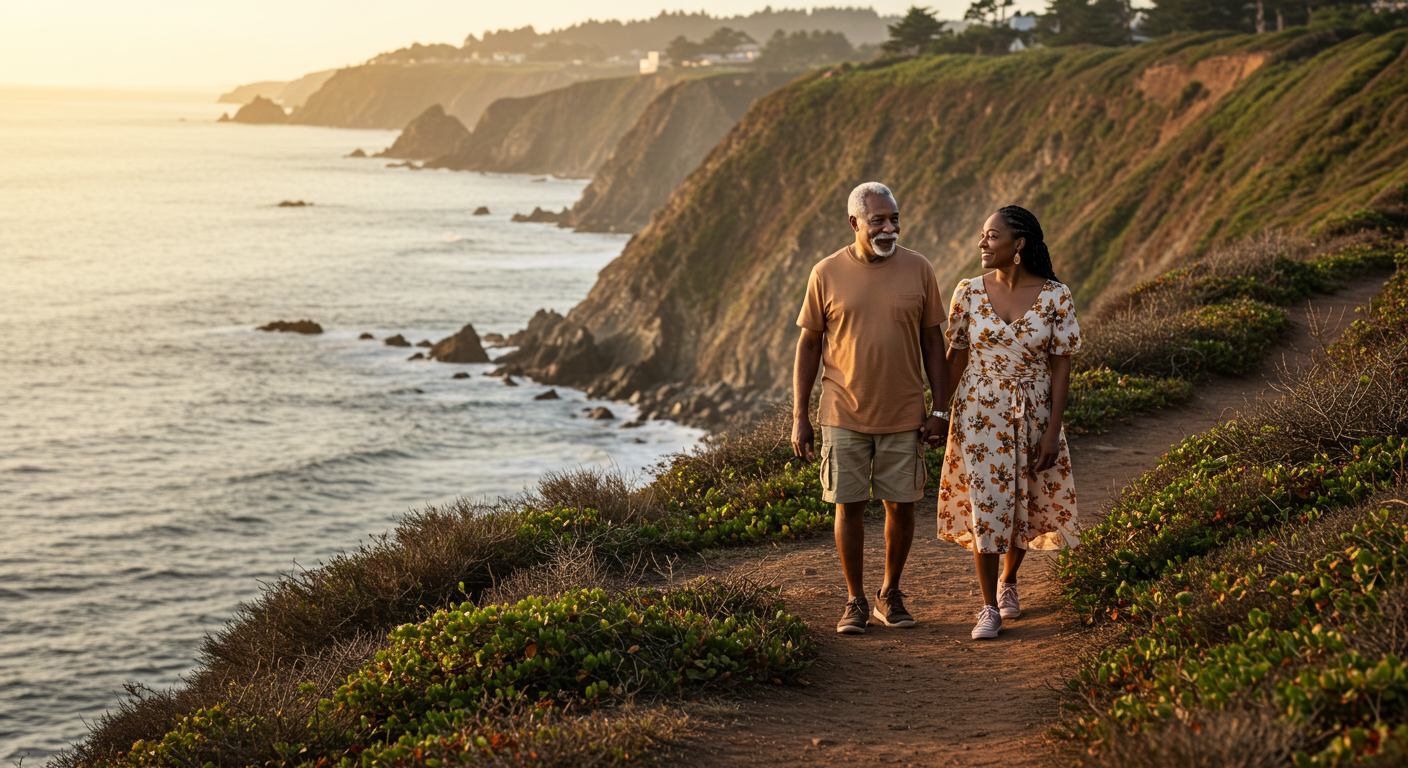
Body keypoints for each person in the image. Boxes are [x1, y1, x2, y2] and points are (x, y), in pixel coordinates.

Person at [792, 182, 949, 635]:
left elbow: (932, 341)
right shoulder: (825, 272)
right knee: (849, 505)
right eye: (878, 219)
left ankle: (890, 593)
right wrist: (800, 417)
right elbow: (808, 346)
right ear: (854, 223)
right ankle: (855, 600)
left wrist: (940, 409)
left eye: (894, 218)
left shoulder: (919, 268)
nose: (889, 227)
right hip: (843, 412)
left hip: (905, 413)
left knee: (901, 506)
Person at [937, 205, 1081, 640]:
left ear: (1018, 245)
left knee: (1023, 499)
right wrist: (938, 412)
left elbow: (1061, 369)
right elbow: (955, 359)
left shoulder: (1057, 296)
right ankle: (987, 608)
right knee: (987, 505)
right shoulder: (967, 292)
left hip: (1034, 412)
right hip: (979, 413)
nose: (983, 243)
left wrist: (1052, 431)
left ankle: (1008, 581)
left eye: (992, 236)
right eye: (983, 235)